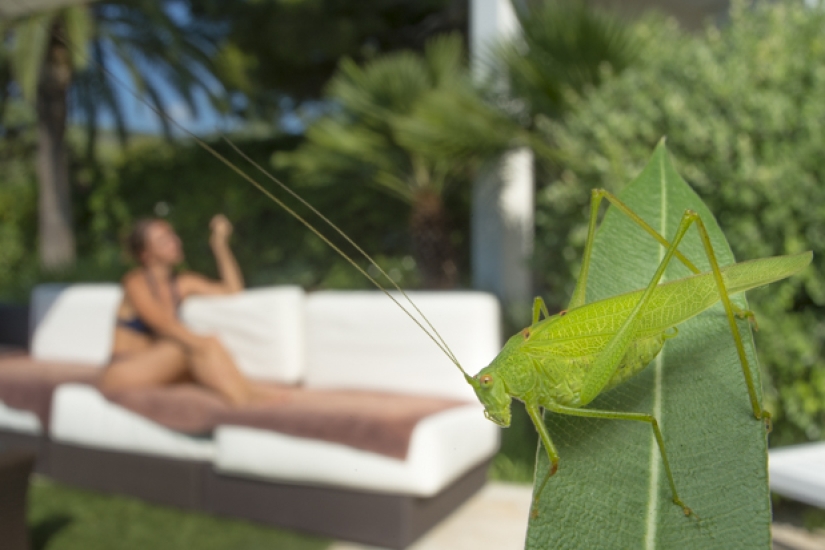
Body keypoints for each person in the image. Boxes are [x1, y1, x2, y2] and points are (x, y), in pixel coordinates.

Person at [100, 214, 256, 406]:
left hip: (159, 367)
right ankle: (244, 405)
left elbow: (233, 290)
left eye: (172, 235)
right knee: (187, 348)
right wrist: (205, 343)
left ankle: (249, 399)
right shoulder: (135, 283)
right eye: (163, 240)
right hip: (122, 372)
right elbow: (165, 326)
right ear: (146, 255)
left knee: (200, 356)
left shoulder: (181, 283)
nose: (174, 241)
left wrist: (219, 244)